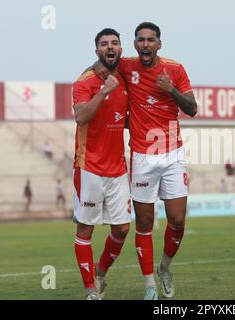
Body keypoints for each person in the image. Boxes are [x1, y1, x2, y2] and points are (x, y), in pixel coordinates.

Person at [92, 22, 197, 300]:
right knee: (145, 223)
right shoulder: (127, 66)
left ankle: (165, 267)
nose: (146, 44)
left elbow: (192, 109)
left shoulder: (174, 69)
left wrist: (171, 89)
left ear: (159, 44)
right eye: (141, 40)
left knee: (177, 220)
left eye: (151, 40)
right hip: (142, 156)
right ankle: (149, 284)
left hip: (173, 153)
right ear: (135, 44)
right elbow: (100, 64)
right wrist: (97, 66)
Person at [72, 28, 131, 300]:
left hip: (118, 168)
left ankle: (100, 271)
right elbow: (81, 117)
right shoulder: (84, 82)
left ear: (120, 49)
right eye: (104, 44)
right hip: (90, 167)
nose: (110, 47)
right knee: (85, 229)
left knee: (122, 228)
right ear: (96, 51)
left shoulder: (126, 79)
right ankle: (90, 291)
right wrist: (104, 92)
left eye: (115, 43)